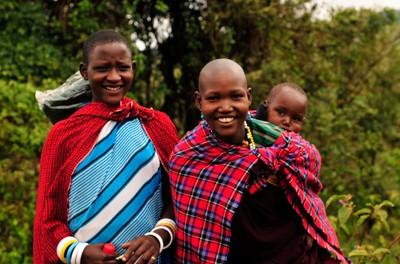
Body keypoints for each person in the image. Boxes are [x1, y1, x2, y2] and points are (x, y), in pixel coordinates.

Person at [168, 58, 349, 263]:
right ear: (199, 101)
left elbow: (309, 167)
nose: (226, 107)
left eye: (236, 96)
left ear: (249, 97)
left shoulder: (281, 145)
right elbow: (189, 227)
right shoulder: (187, 156)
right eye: (214, 98)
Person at [34, 30, 179, 264]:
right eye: (102, 68)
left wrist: (157, 238)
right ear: (84, 72)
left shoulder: (157, 124)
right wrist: (80, 254)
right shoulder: (63, 135)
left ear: (133, 68)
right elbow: (47, 218)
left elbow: (179, 197)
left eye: (122, 68)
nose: (114, 77)